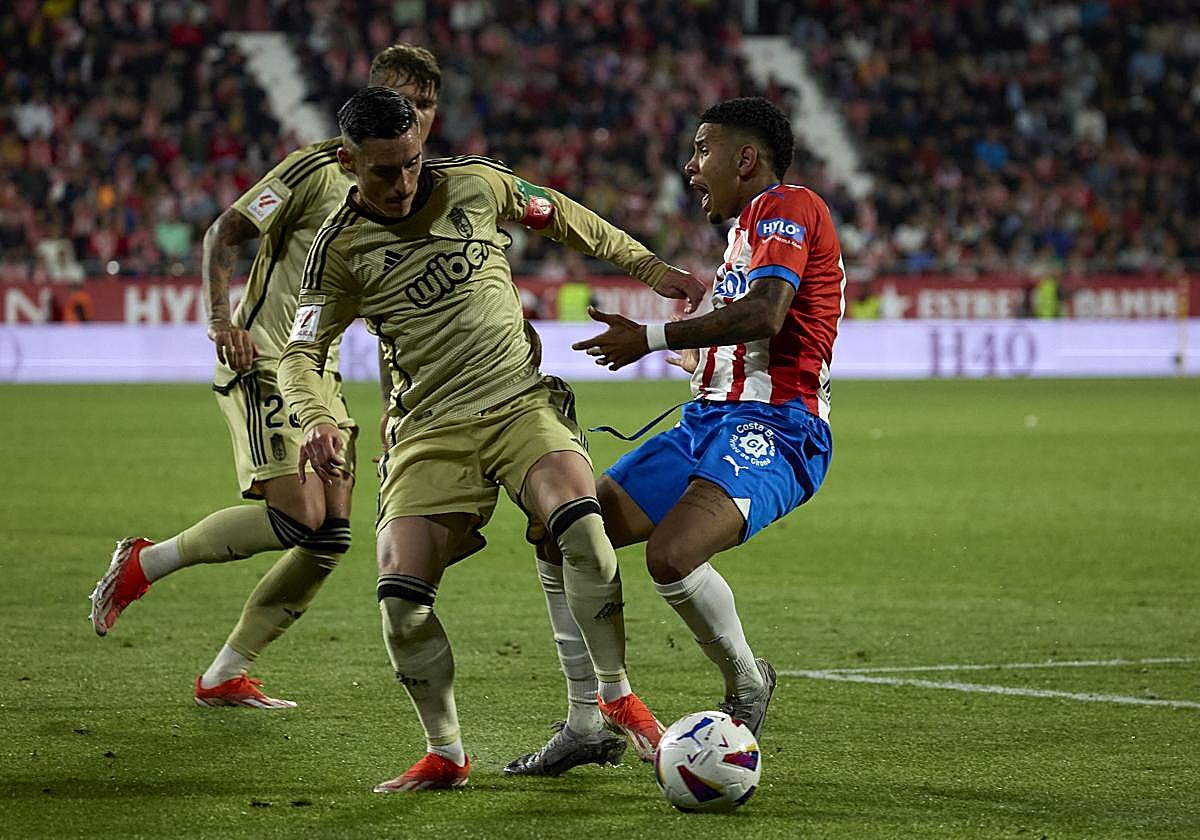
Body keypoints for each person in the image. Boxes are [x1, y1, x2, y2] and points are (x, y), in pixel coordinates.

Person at [278, 86, 703, 792]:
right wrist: (314, 416)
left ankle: (616, 693)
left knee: (582, 527)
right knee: (401, 605)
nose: (403, 182)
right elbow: (298, 352)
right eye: (384, 170)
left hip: (518, 403)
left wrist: (653, 271)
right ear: (348, 162)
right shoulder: (339, 250)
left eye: (412, 162)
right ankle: (446, 751)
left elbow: (564, 217)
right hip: (429, 432)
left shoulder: (475, 185)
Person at [87, 45, 444, 709]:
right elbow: (224, 232)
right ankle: (146, 562)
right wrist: (224, 323)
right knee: (298, 514)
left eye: (423, 105)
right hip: (262, 360)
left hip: (320, 378)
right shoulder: (315, 170)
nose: (412, 116)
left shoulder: (413, 193)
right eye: (399, 100)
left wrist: (402, 403)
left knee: (331, 537)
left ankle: (225, 672)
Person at [534, 96, 844, 747]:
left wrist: (649, 337)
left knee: (671, 554)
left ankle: (748, 682)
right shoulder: (741, 237)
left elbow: (766, 314)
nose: (691, 165)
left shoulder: (789, 204)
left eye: (703, 149)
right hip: (707, 422)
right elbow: (749, 331)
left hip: (780, 427)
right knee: (559, 533)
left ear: (746, 158)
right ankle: (589, 718)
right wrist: (700, 360)